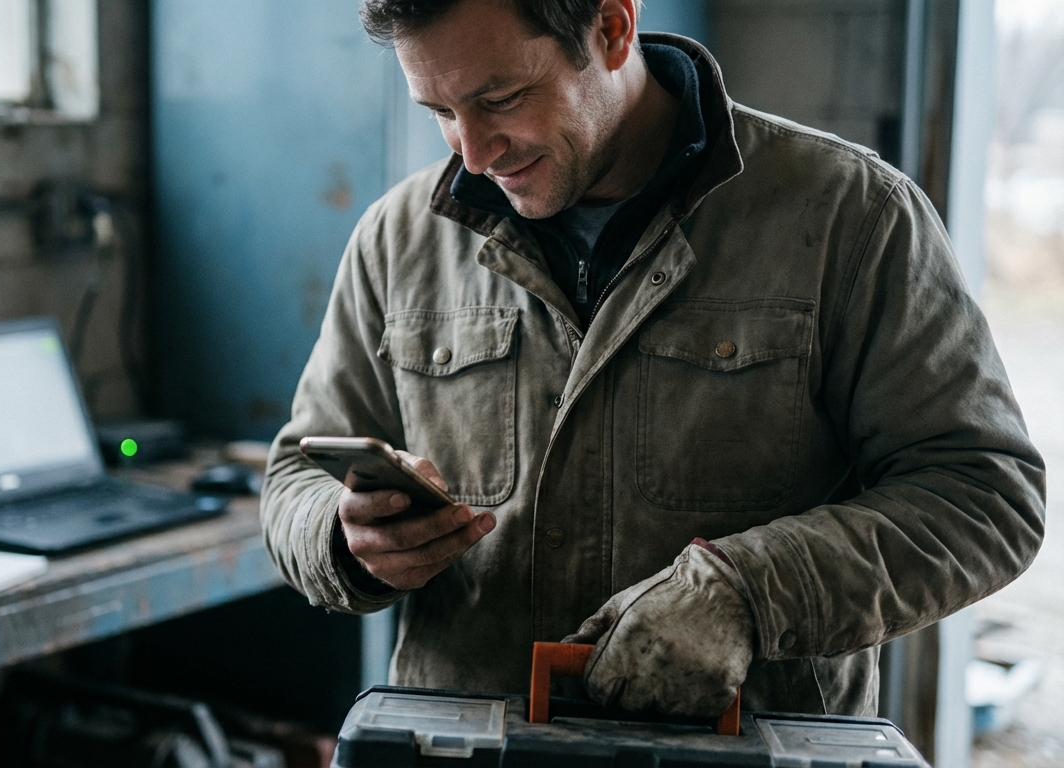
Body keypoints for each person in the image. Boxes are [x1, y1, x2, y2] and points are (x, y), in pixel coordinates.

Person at [261, 0, 1046, 718]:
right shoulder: (398, 241)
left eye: (500, 99)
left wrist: (751, 593)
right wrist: (345, 539)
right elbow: (294, 478)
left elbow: (986, 495)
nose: (472, 152)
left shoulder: (852, 217)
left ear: (610, 26)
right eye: (439, 111)